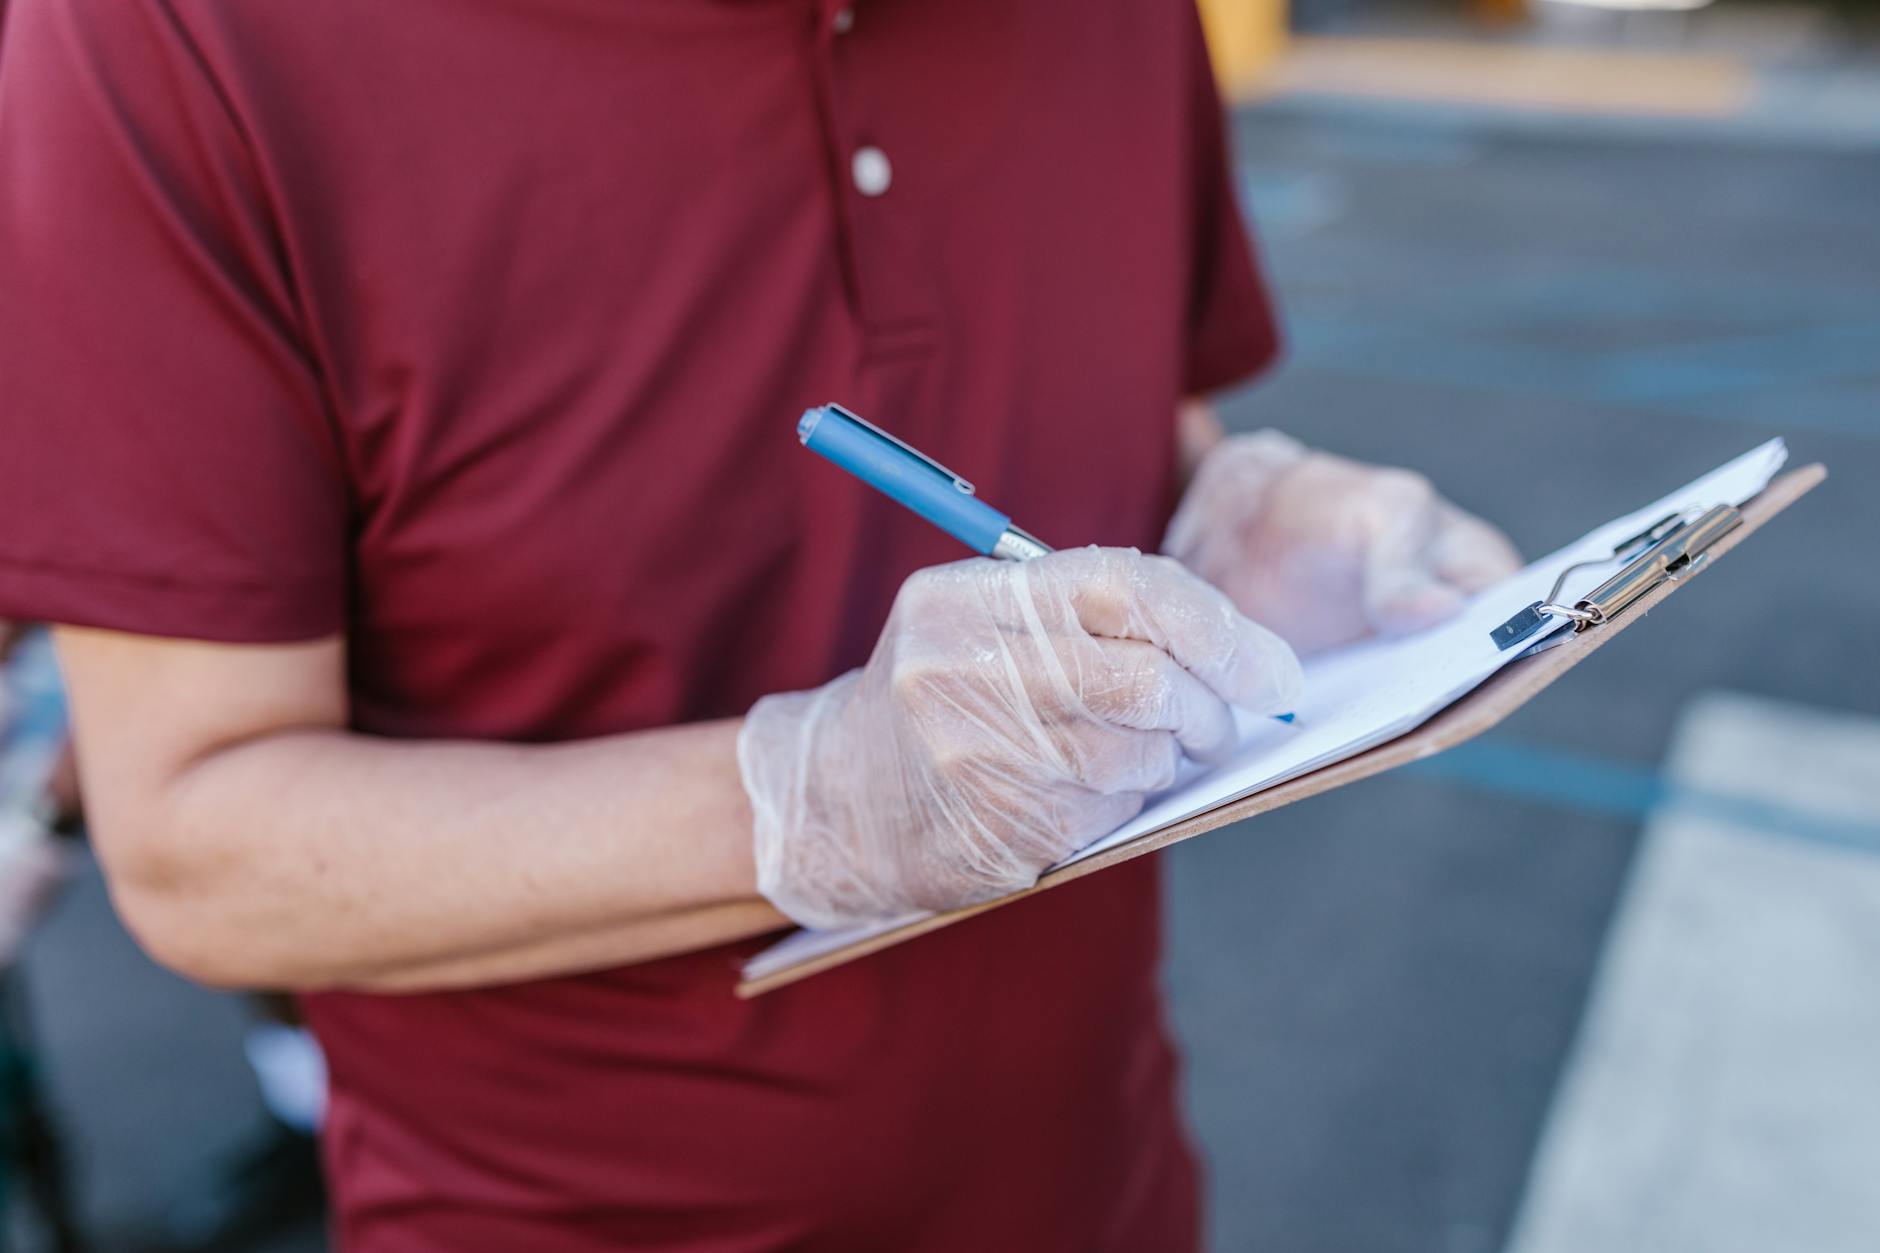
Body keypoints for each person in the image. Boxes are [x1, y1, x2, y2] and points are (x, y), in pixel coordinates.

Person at [0, 1, 1518, 1248]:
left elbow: (1138, 407)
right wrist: (811, 794)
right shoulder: (164, 40)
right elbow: (200, 844)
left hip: (1108, 1180)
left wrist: (1228, 522)